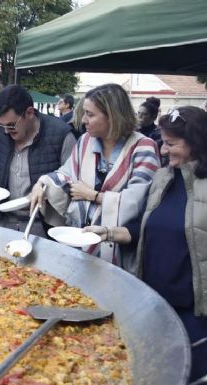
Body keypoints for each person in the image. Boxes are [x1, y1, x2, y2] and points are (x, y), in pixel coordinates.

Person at [86, 106, 207, 385]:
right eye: (163, 142)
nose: (163, 150)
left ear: (197, 141)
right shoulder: (164, 177)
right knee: (171, 384)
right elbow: (139, 229)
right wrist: (105, 232)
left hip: (204, 311)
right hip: (160, 306)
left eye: (172, 143)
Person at [31, 83, 160, 266]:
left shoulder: (143, 147)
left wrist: (93, 196)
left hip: (118, 250)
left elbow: (138, 201)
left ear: (113, 116)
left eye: (90, 114)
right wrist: (41, 184)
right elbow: (66, 174)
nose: (83, 120)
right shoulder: (85, 141)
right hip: (79, 241)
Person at [0, 84, 77, 236]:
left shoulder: (61, 135)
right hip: (5, 221)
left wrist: (48, 188)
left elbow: (72, 178)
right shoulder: (2, 130)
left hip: (44, 225)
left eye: (11, 126)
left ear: (29, 113)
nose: (7, 131)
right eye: (2, 126)